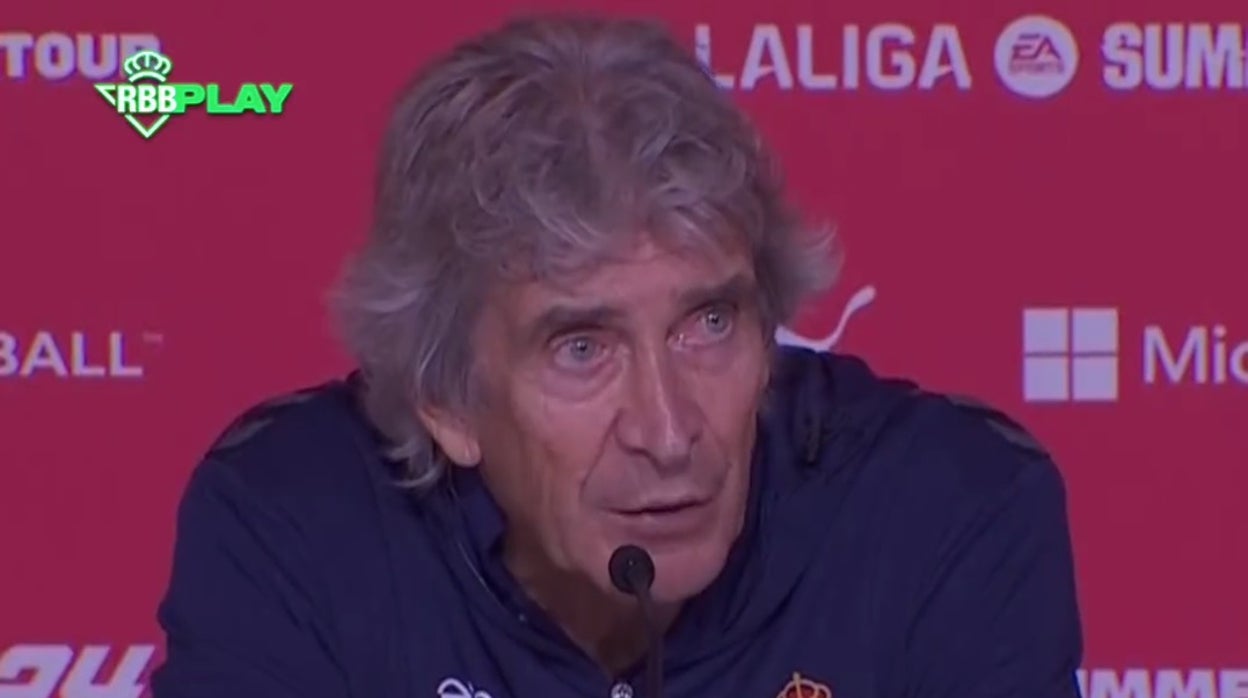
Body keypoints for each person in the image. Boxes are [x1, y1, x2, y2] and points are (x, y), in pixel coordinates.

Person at [149, 14, 1083, 698]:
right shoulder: (292, 523)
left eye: (708, 326)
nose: (670, 433)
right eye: (582, 348)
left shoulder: (951, 514)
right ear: (445, 398)